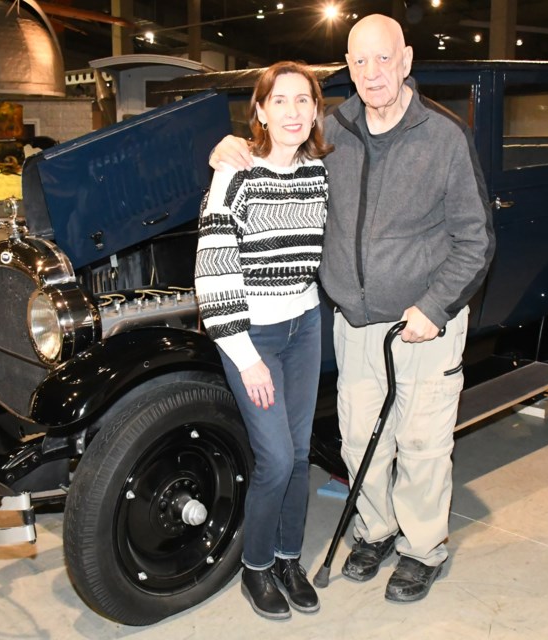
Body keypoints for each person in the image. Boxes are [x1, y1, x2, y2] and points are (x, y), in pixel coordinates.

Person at [209, 15, 495, 604]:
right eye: (359, 62)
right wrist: (228, 147)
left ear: (406, 60)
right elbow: (273, 161)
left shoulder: (445, 136)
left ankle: (421, 549)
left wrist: (435, 307)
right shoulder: (331, 132)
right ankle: (375, 530)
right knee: (362, 437)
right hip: (353, 323)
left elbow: (476, 239)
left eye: (383, 59)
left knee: (421, 443)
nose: (372, 74)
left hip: (423, 325)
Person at [194, 60, 332, 620]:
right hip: (254, 335)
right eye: (280, 101)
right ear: (260, 112)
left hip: (306, 328)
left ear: (316, 111)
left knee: (300, 456)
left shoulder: (320, 173)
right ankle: (255, 568)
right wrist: (246, 356)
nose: (293, 112)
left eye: (304, 101)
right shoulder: (234, 175)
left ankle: (288, 558)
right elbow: (213, 273)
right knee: (274, 459)